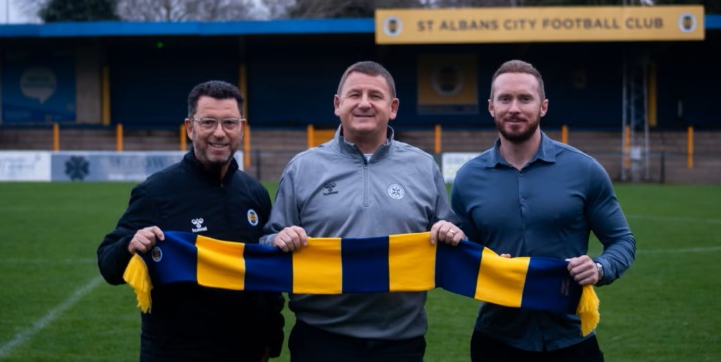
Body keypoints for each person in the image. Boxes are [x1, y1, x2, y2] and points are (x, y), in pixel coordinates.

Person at [260, 60, 464, 362]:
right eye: (355, 95)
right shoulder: (302, 167)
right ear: (337, 104)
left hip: (400, 342)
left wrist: (452, 232)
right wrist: (279, 238)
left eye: (375, 96)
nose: (364, 103)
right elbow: (268, 241)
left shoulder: (422, 166)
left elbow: (449, 235)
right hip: (320, 338)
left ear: (392, 107)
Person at [451, 59, 636, 361]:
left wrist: (599, 267)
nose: (514, 108)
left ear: (543, 106)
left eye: (525, 98)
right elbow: (463, 252)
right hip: (495, 340)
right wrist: (458, 244)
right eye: (505, 99)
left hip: (571, 340)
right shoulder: (468, 178)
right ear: (491, 107)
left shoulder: (584, 169)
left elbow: (623, 241)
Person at [97, 80, 284, 362]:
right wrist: (130, 245)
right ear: (189, 127)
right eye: (208, 122)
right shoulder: (156, 192)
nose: (219, 133)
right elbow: (108, 265)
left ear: (241, 128)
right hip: (177, 353)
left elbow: (267, 273)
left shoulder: (254, 193)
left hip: (245, 351)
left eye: (229, 123)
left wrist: (272, 336)